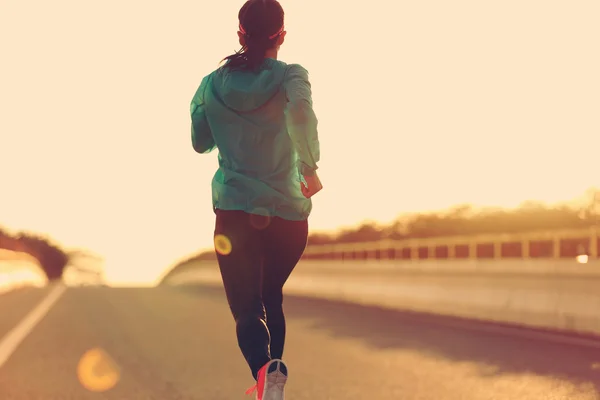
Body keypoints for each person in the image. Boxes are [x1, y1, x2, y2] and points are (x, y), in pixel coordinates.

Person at [189, 0, 322, 398]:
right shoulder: (292, 77)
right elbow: (301, 115)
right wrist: (310, 167)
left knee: (247, 308)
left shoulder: (212, 84)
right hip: (289, 216)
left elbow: (200, 143)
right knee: (270, 295)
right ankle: (272, 385)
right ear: (281, 35)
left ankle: (265, 374)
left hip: (234, 215)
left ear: (240, 35)